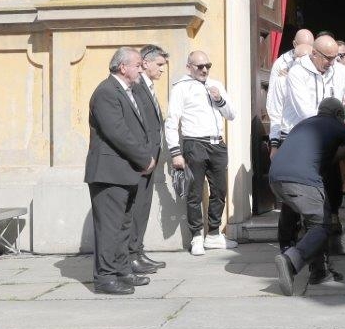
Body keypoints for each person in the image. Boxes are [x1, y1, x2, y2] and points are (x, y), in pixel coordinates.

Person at [270, 35, 345, 270]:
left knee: (323, 202)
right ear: (314, 54)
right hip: (298, 138)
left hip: (323, 139)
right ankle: (287, 250)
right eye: (327, 58)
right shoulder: (297, 73)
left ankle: (318, 263)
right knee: (291, 205)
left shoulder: (335, 69)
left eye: (335, 58)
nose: (331, 63)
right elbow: (307, 111)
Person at [272, 99, 345, 296]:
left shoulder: (305, 124)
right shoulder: (337, 125)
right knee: (323, 224)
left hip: (276, 178)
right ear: (338, 115)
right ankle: (291, 261)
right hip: (301, 181)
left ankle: (319, 271)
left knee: (313, 222)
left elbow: (330, 156)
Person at [84, 48, 157, 295]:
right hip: (108, 172)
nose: (141, 68)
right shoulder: (106, 92)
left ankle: (122, 271)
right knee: (109, 228)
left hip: (125, 171)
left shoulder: (129, 91)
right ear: (123, 67)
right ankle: (105, 278)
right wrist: (144, 158)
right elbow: (117, 132)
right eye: (138, 64)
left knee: (124, 226)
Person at [166, 51, 236, 256]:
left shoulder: (216, 85)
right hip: (194, 143)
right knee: (195, 192)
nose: (204, 70)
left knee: (220, 190)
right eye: (200, 66)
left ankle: (213, 234)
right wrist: (175, 152)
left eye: (208, 65)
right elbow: (171, 121)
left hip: (217, 144)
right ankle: (196, 236)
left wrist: (220, 99)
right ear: (189, 67)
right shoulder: (181, 87)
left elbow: (231, 114)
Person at [130, 45, 170, 275]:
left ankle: (138, 251)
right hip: (142, 159)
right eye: (159, 65)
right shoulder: (136, 87)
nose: (162, 70)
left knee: (143, 207)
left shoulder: (148, 86)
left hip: (150, 158)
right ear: (145, 63)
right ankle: (132, 254)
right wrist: (144, 156)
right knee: (137, 207)